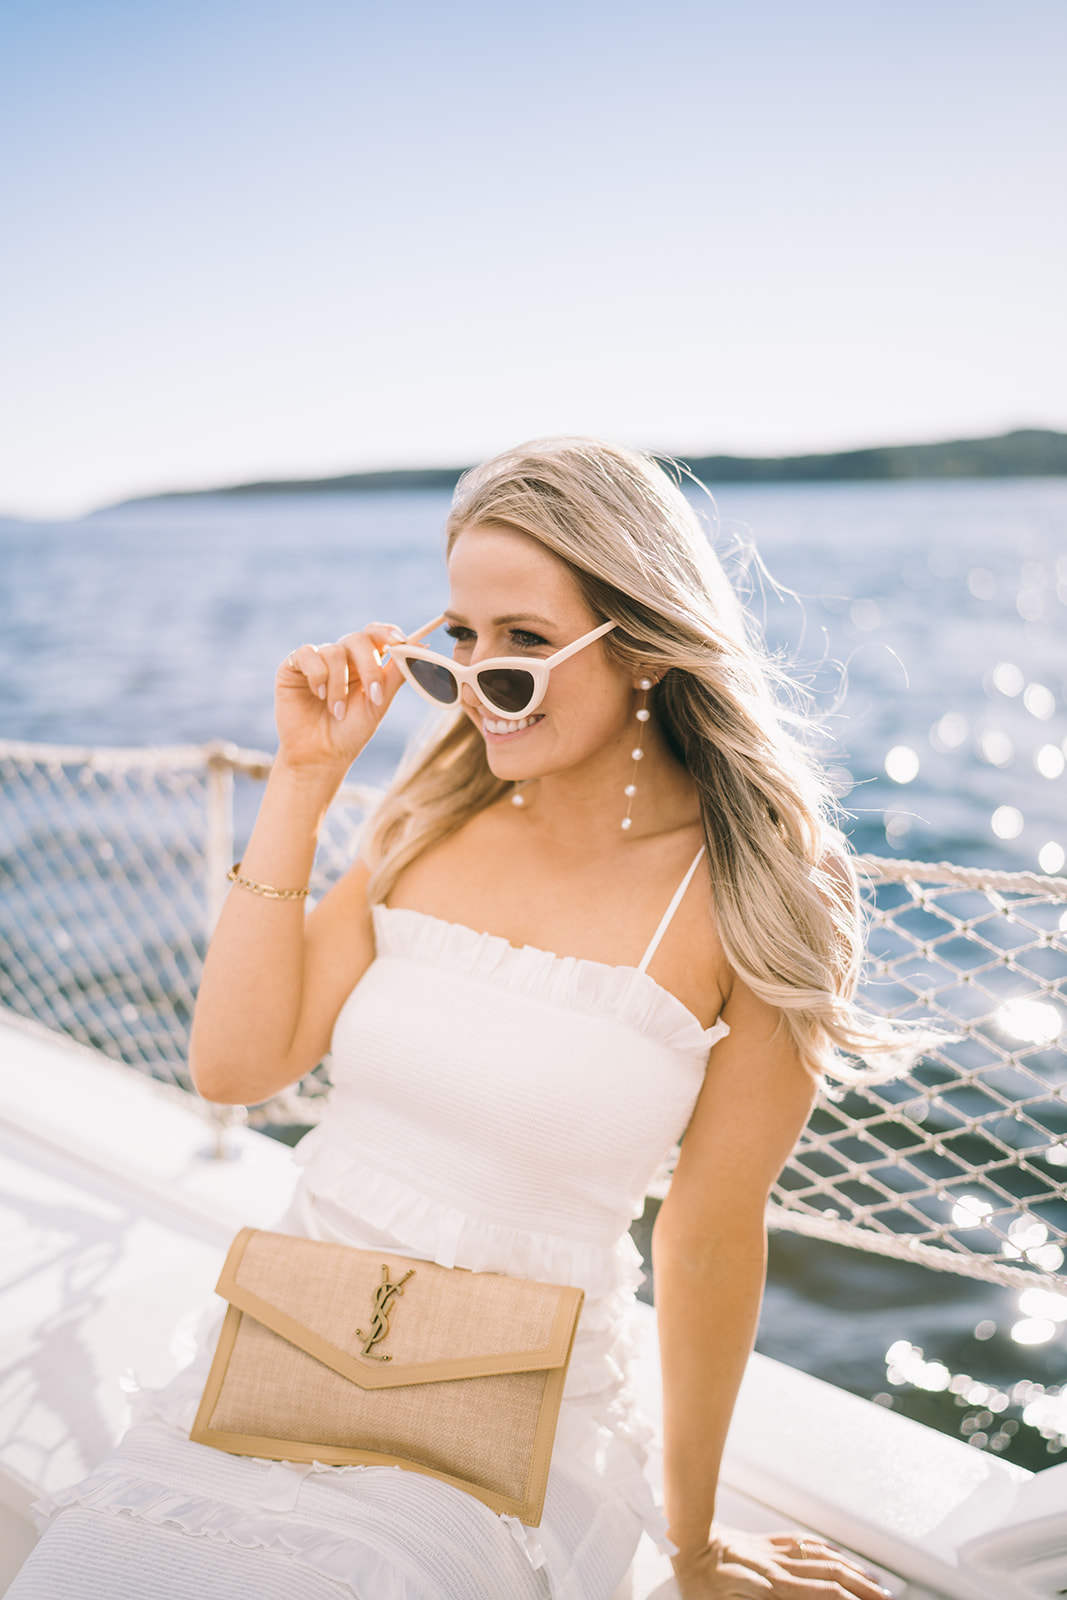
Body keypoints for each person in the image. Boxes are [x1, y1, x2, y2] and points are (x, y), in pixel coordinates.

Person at [14, 438, 902, 1600]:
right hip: (273, 1363)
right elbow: (235, 1067)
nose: (479, 680)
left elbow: (709, 1237)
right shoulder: (425, 821)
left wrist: (693, 1549)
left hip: (515, 1425)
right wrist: (300, 782)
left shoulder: (757, 890)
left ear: (640, 641)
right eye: (460, 642)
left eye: (523, 646)